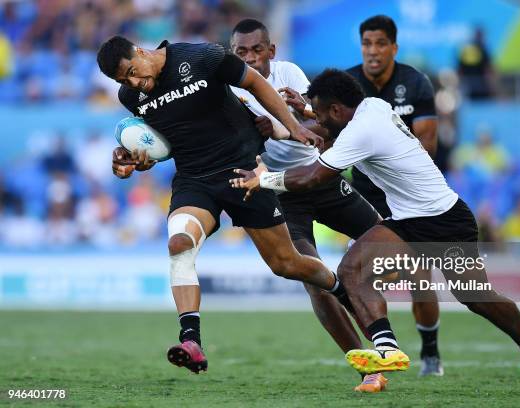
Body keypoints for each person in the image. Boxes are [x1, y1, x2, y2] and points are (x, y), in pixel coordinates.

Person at [230, 69, 520, 393]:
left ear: (338, 110)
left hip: (447, 219)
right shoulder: (373, 105)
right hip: (407, 221)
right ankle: (388, 349)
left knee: (475, 298)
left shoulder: (360, 132)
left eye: (322, 115)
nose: (318, 125)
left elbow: (313, 176)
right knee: (352, 269)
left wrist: (264, 180)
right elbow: (331, 123)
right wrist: (309, 110)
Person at [96, 36, 350, 375]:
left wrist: (294, 128)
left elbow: (257, 83)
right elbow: (166, 144)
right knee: (179, 242)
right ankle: (191, 341)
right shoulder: (131, 97)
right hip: (194, 181)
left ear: (140, 52)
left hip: (242, 173)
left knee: (286, 264)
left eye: (131, 72)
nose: (132, 83)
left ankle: (340, 288)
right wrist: (137, 161)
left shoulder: (202, 57)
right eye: (122, 81)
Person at [229, 18, 386, 392]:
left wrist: (285, 124)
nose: (250, 58)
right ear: (232, 54)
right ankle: (370, 370)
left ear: (271, 51)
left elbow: (323, 133)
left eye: (256, 50)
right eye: (241, 52)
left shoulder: (290, 75)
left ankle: (388, 338)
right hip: (282, 193)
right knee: (313, 279)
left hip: (320, 178)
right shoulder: (227, 91)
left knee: (387, 239)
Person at [346, 14, 442, 376]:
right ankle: (382, 353)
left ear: (393, 48)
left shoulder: (415, 83)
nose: (373, 51)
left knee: (419, 279)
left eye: (380, 44)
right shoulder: (348, 84)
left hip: (409, 199)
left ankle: (430, 352)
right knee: (360, 277)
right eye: (367, 44)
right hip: (363, 200)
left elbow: (428, 146)